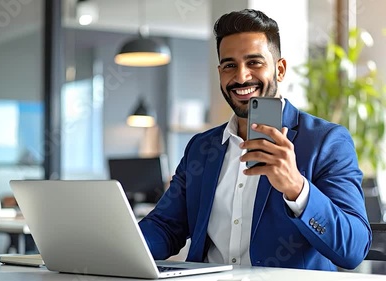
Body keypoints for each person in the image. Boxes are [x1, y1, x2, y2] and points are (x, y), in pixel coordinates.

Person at [139, 9, 371, 271]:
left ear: (280, 69)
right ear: (220, 73)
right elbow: (165, 226)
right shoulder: (201, 148)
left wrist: (297, 188)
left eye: (254, 63)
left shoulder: (326, 142)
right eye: (229, 65)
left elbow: (354, 250)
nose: (240, 77)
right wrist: (119, 246)